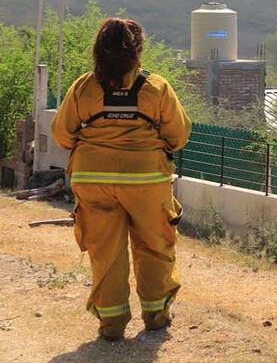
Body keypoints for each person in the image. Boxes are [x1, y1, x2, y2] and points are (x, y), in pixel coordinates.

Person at [51, 17, 191, 341]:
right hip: (147, 179)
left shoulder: (83, 87)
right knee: (154, 245)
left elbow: (62, 135)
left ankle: (112, 323)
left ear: (98, 50)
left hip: (92, 178)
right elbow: (179, 136)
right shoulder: (156, 88)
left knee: (106, 251)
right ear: (137, 51)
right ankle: (156, 315)